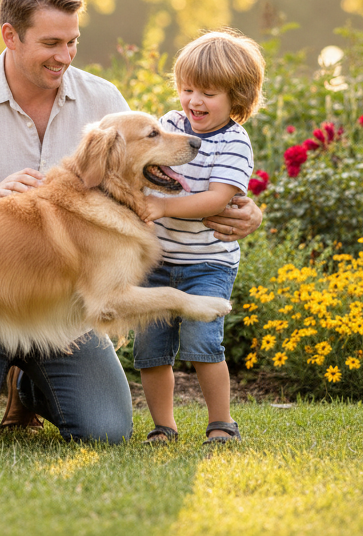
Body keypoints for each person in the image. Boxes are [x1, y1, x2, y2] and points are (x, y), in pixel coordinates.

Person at [0, 0, 264, 448]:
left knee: (108, 431)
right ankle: (1, 376)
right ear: (10, 36)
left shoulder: (103, 101)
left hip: (66, 316)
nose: (65, 56)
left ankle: (28, 390)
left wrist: (243, 208)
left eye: (72, 41)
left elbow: (151, 169)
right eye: (51, 43)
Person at [135, 29, 265, 447]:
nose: (193, 101)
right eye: (187, 89)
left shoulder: (234, 143)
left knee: (203, 341)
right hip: (157, 261)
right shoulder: (170, 125)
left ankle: (221, 422)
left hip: (207, 263)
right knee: (151, 349)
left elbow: (216, 199)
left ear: (236, 98)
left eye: (208, 93)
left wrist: (164, 206)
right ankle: (163, 425)